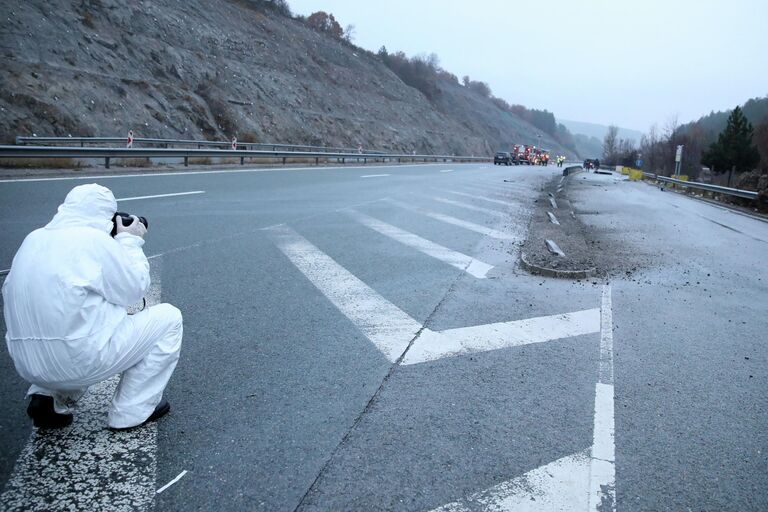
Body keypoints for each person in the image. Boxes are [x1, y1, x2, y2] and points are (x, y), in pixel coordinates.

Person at [2, 184, 182, 430]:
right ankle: (131, 411)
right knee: (169, 319)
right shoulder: (94, 241)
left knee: (72, 318)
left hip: (27, 364)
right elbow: (134, 289)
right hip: (77, 361)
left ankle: (47, 395)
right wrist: (129, 241)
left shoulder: (32, 239)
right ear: (107, 215)